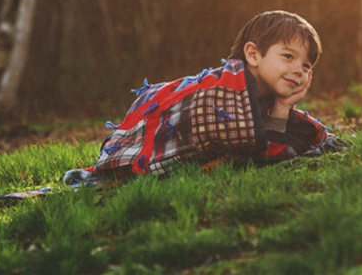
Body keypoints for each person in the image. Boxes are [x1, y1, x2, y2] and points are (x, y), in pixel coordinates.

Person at [63, 10, 340, 186]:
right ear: (253, 55)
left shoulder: (269, 98)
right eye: (288, 57)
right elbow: (265, 155)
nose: (298, 70)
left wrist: (282, 108)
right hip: (152, 126)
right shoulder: (219, 96)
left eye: (306, 66)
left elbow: (274, 144)